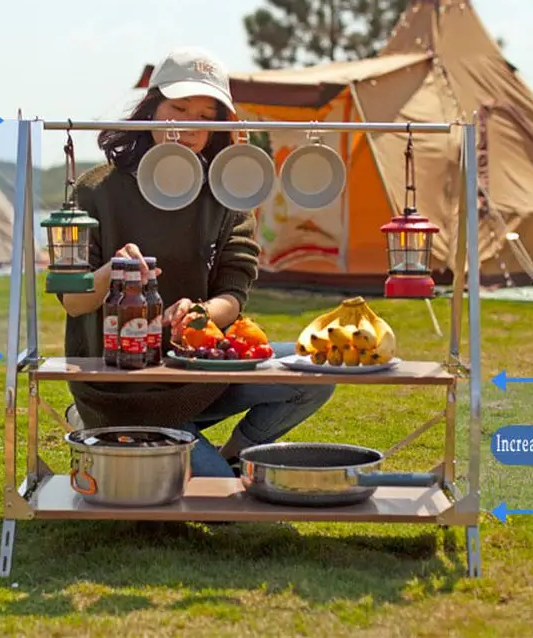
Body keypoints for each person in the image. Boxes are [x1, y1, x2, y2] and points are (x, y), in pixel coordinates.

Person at [58, 46, 335, 477]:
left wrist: (201, 313)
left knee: (317, 370)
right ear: (151, 109)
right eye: (178, 108)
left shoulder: (229, 191)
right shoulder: (97, 190)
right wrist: (115, 269)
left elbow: (234, 294)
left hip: (201, 371)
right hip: (123, 389)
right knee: (218, 501)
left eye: (205, 117)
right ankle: (110, 425)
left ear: (217, 129)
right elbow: (74, 303)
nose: (188, 126)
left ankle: (232, 457)